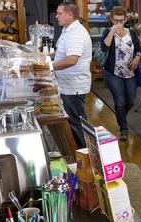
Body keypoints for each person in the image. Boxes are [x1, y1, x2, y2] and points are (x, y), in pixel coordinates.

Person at [99, 6, 141, 141]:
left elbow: (139, 49)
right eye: (116, 20)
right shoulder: (108, 31)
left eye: (121, 21)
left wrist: (137, 58)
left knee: (130, 100)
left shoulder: (131, 33)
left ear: (125, 19)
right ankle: (123, 128)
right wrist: (112, 32)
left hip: (130, 72)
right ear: (111, 19)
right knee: (120, 101)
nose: (119, 23)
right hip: (113, 73)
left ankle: (120, 113)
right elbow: (103, 47)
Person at [53, 1, 92, 148]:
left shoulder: (75, 33)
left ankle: (86, 159)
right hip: (67, 85)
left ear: (70, 15)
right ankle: (80, 156)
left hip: (73, 87)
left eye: (59, 13)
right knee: (75, 123)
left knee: (77, 124)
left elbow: (72, 59)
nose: (56, 16)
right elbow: (63, 53)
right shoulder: (68, 30)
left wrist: (47, 66)